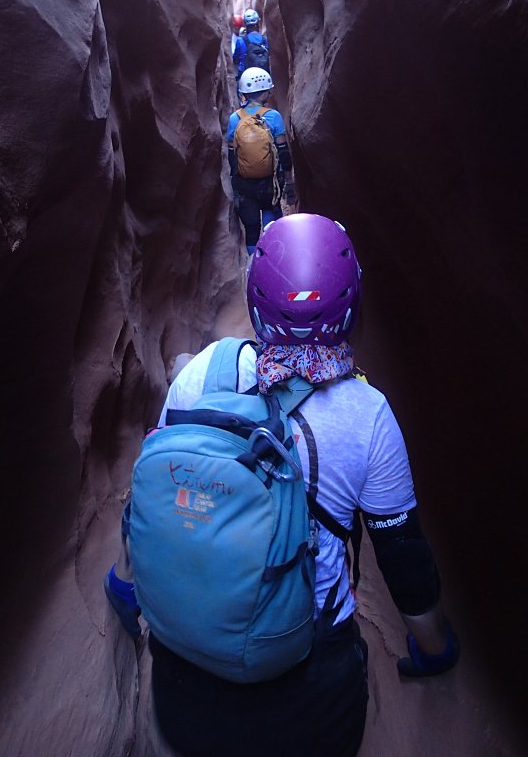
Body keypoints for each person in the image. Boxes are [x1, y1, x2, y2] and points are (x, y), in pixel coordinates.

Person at [104, 213, 459, 757]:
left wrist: (127, 588)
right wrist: (434, 648)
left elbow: (154, 491)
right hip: (313, 705)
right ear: (351, 302)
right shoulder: (368, 416)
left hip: (184, 694)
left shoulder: (199, 373)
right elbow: (403, 558)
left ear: (255, 299)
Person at [226, 67, 295, 254]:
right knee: (271, 223)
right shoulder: (273, 117)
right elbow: (283, 151)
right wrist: (288, 182)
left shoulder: (234, 119)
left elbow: (231, 154)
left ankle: (252, 265)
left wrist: (235, 183)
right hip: (270, 183)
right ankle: (275, 258)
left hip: (244, 184)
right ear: (266, 92)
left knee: (251, 228)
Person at [232, 8, 270, 79]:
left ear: (245, 24)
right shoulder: (264, 40)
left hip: (245, 77)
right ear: (258, 23)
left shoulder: (240, 40)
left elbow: (235, 59)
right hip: (263, 76)